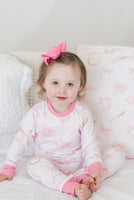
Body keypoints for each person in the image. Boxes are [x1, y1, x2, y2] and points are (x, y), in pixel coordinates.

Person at [0, 42, 103, 200]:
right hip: (48, 162)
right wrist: (9, 167)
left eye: (70, 84)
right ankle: (72, 186)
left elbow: (90, 145)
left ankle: (87, 176)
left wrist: (94, 167)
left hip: (78, 163)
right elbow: (21, 140)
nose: (62, 90)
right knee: (33, 166)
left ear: (80, 86)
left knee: (115, 155)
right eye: (55, 83)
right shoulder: (36, 113)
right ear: (44, 83)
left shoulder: (83, 113)